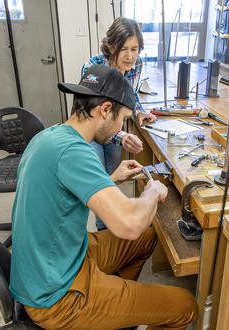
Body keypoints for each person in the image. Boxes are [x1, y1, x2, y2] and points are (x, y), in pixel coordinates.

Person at [10, 65, 197, 330]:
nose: (121, 127)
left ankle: (117, 313)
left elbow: (60, 193)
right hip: (56, 297)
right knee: (184, 305)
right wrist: (152, 193)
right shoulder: (75, 152)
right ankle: (107, 307)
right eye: (122, 119)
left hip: (56, 261)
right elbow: (130, 224)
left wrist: (110, 179)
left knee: (148, 237)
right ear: (105, 109)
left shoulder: (49, 137)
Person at [83, 17, 157, 230]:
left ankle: (111, 222)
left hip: (116, 129)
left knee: (113, 176)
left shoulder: (136, 65)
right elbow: (95, 117)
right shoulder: (93, 67)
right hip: (94, 131)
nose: (130, 56)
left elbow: (130, 94)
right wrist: (122, 136)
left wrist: (139, 111)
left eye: (135, 49)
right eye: (124, 49)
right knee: (100, 181)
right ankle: (104, 230)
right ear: (111, 46)